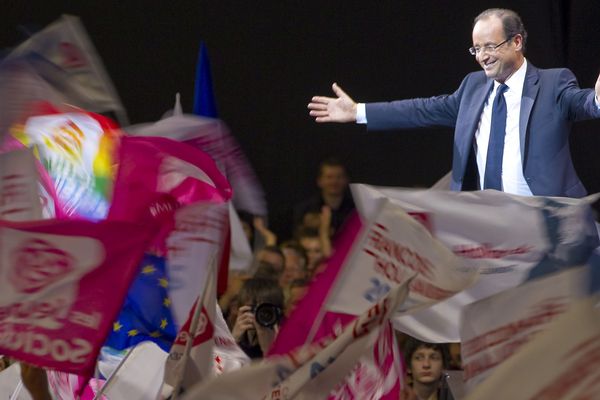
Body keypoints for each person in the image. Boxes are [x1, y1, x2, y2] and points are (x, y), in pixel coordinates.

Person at [308, 8, 600, 198]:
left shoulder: (553, 83)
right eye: (476, 48)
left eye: (490, 46)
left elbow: (584, 102)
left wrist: (598, 98)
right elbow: (420, 109)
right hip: (488, 226)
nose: (482, 56)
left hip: (547, 220)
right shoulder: (473, 87)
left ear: (517, 42)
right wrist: (358, 111)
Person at [292, 158, 355, 234]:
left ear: (346, 180)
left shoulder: (356, 211)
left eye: (339, 177)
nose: (334, 181)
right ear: (319, 181)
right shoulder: (304, 210)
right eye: (329, 177)